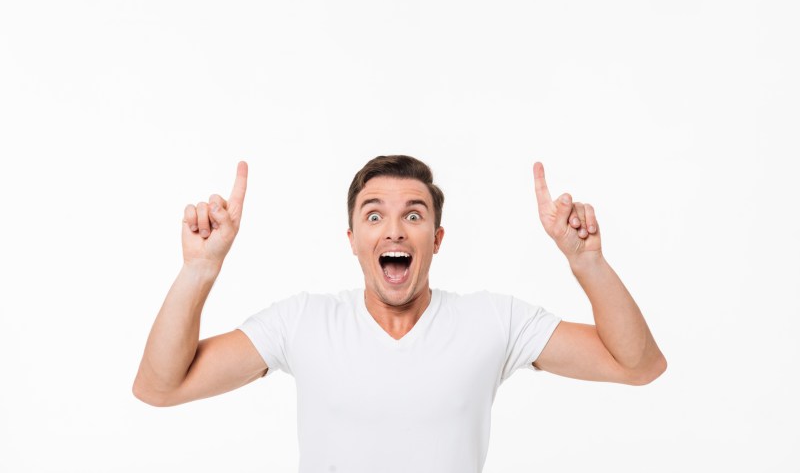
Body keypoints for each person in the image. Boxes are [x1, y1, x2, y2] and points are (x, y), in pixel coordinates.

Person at [133, 155, 666, 472]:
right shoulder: (301, 324)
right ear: (352, 239)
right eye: (374, 215)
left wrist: (587, 262)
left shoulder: (494, 322)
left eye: (413, 215)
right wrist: (200, 269)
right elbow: (160, 387)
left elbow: (637, 365)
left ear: (435, 240)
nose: (394, 231)